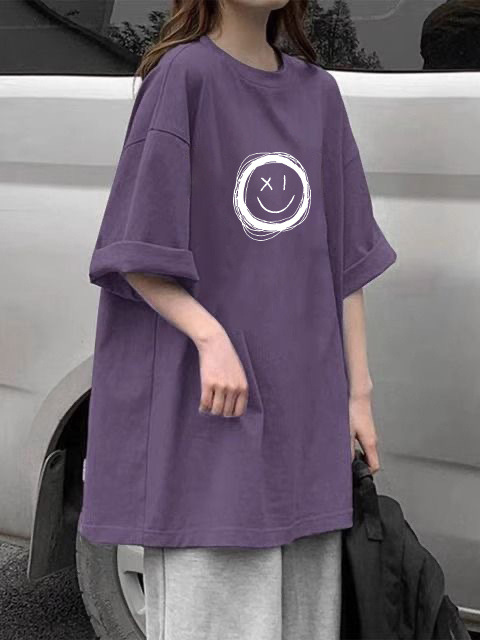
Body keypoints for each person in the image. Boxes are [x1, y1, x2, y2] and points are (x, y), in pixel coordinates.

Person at [78, 1, 397, 638]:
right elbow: (133, 248)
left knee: (307, 622)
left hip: (304, 420)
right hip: (213, 419)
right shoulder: (183, 76)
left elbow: (347, 263)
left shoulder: (318, 94)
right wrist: (210, 335)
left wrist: (357, 395)